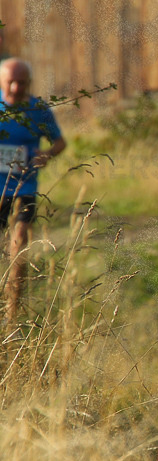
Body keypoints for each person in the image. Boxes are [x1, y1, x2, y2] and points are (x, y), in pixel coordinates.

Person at [0, 58, 66, 326]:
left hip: (25, 186)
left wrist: (47, 155)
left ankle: (11, 313)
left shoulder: (37, 109)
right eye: (10, 83)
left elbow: (60, 142)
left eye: (22, 83)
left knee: (19, 246)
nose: (15, 88)